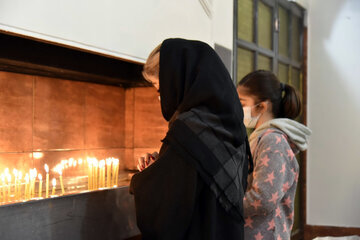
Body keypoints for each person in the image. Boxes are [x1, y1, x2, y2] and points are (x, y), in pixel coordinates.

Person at [130, 38, 253, 240]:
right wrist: (163, 166)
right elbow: (195, 176)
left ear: (177, 82)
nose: (160, 97)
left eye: (160, 88)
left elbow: (169, 206)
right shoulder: (229, 121)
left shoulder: (190, 128)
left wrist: (140, 180)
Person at [237, 70, 311, 240]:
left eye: (241, 103)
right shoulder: (260, 137)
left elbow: (264, 197)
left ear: (262, 106)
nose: (236, 108)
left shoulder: (272, 140)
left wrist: (224, 207)